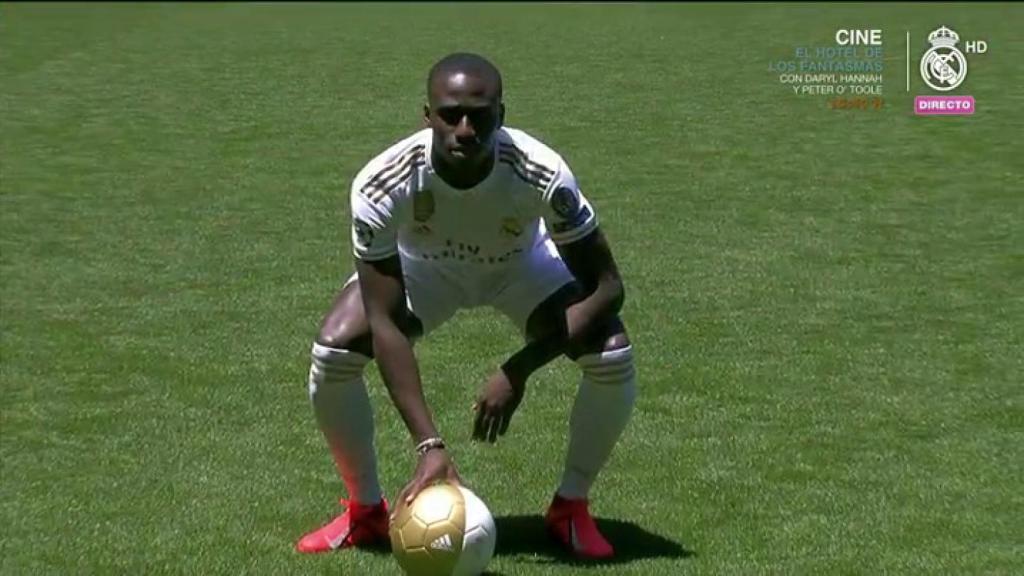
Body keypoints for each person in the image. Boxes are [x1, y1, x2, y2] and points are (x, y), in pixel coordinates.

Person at [296, 52, 636, 560]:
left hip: (520, 268)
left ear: (502, 113)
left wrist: (517, 369)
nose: (464, 128)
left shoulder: (541, 170)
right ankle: (365, 511)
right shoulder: (382, 182)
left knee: (611, 354)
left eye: (479, 115)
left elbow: (607, 287)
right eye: (450, 113)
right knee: (333, 352)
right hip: (425, 270)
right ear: (426, 114)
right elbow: (386, 320)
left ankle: (570, 507)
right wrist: (430, 445)